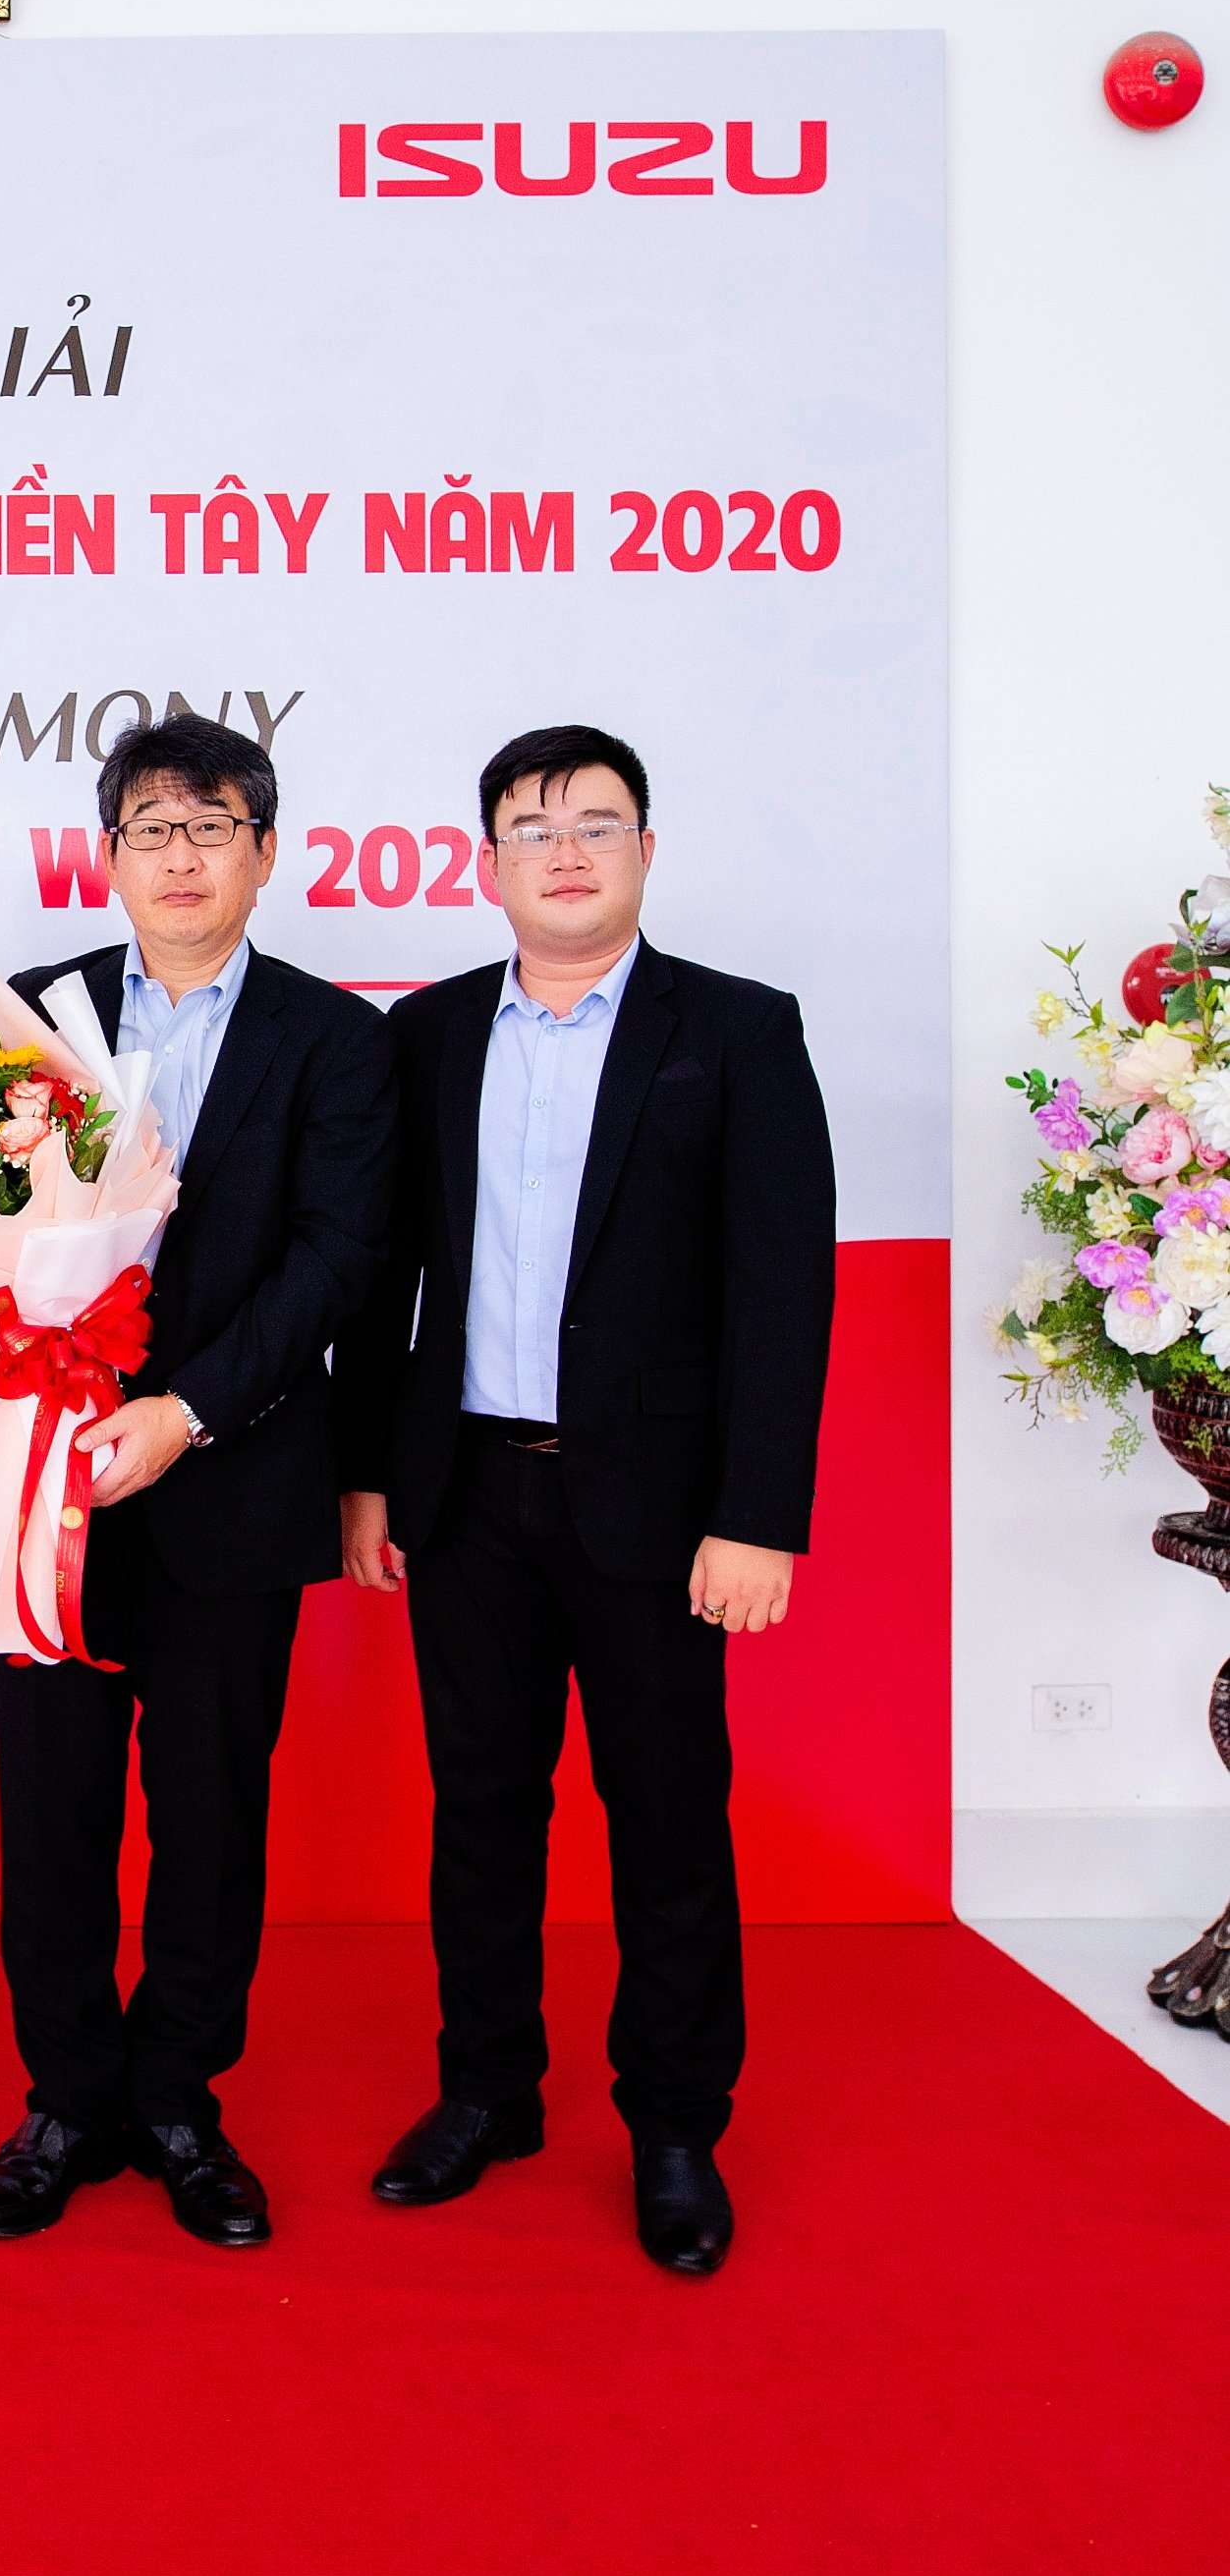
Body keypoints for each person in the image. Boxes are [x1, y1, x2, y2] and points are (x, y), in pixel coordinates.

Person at [334, 724, 836, 2278]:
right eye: (533, 827)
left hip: (660, 1511)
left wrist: (760, 1516)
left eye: (597, 824)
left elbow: (783, 1290)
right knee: (482, 1813)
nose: (565, 851)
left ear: (645, 852)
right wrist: (369, 1473)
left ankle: (676, 2125)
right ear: (486, 861)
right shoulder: (426, 1035)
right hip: (466, 1494)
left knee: (666, 1821)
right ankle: (488, 2091)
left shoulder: (736, 1031)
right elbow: (385, 1280)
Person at [0, 712, 396, 2249]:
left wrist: (188, 1411)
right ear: (111, 855)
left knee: (211, 1817)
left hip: (234, 1480)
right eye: (155, 828)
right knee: (50, 1814)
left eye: (214, 828)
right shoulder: (35, 1014)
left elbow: (338, 1259)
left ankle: (180, 2103)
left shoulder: (338, 1040)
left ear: (265, 854)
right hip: (47, 1482)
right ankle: (67, 2099)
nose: (184, 857)